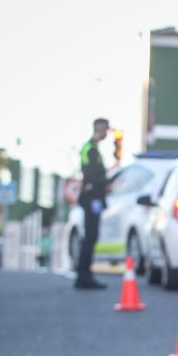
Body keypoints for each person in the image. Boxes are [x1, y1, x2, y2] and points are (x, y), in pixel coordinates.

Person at [74, 117, 111, 289]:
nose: (107, 133)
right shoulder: (90, 149)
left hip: (93, 197)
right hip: (91, 198)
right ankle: (84, 276)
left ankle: (85, 274)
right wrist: (103, 183)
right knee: (90, 237)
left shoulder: (93, 148)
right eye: (105, 129)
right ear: (99, 129)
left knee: (91, 237)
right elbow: (92, 175)